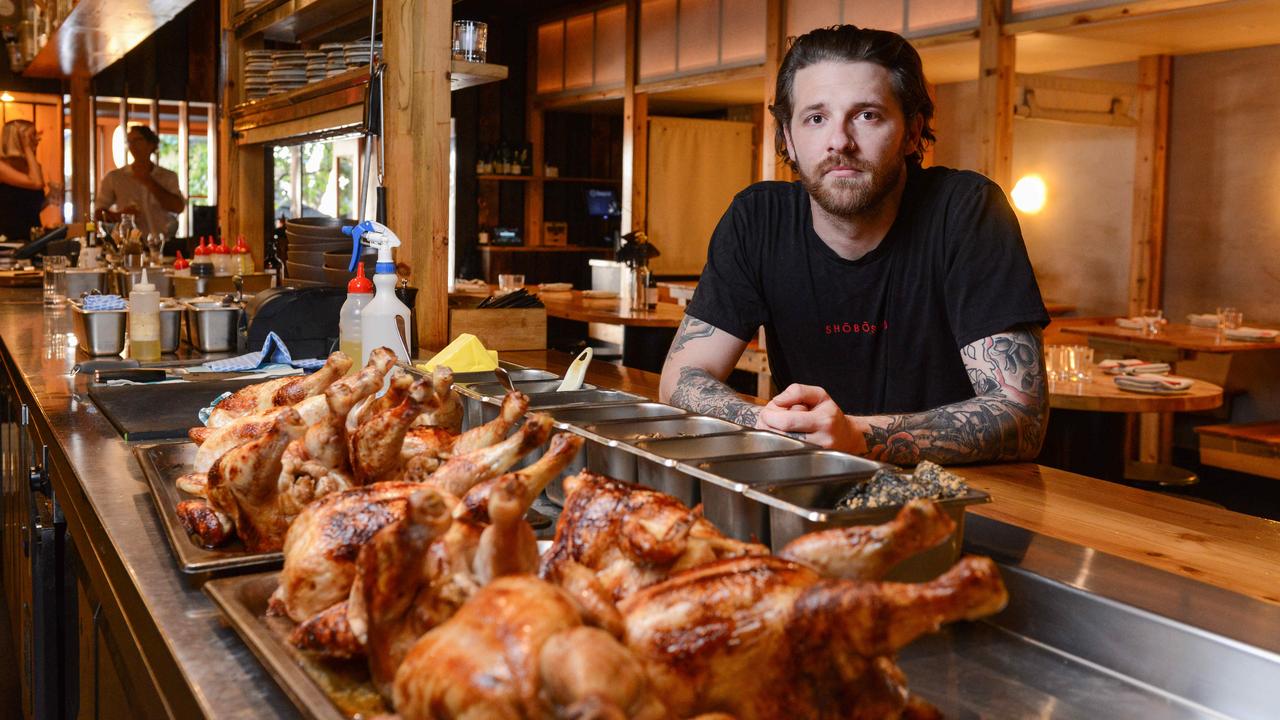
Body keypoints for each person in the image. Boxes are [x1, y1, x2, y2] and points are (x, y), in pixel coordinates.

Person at [659, 25, 1050, 466]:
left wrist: (856, 436)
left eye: (867, 115)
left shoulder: (967, 211)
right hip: (805, 485)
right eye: (816, 117)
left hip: (953, 496)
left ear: (911, 131)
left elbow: (1022, 416)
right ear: (788, 137)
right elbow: (682, 377)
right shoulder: (757, 219)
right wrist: (764, 423)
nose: (839, 141)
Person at [95, 124, 184, 239]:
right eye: (129, 141)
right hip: (128, 242)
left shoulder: (167, 176)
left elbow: (178, 207)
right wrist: (121, 215)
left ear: (151, 144)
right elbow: (98, 212)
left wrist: (149, 181)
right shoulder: (115, 177)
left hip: (162, 242)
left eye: (138, 140)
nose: (133, 145)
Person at [0, 119, 47, 243]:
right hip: (8, 240)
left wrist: (50, 199)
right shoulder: (2, 166)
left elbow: (27, 207)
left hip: (33, 238)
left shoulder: (32, 167)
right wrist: (27, 147)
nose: (38, 139)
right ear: (17, 138)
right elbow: (36, 183)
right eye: (32, 135)